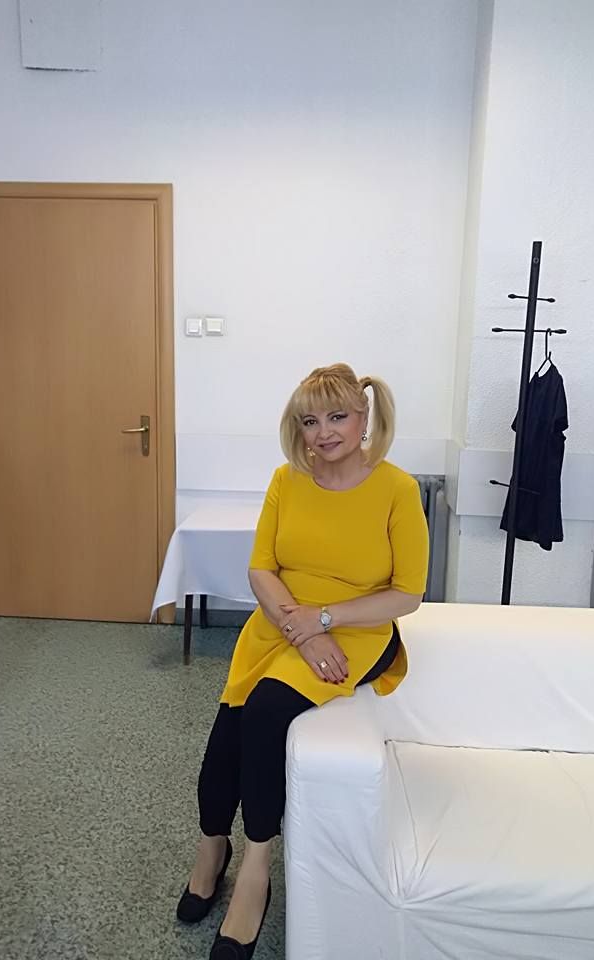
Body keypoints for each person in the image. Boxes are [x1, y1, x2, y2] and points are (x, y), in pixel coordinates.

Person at [176, 362, 430, 959]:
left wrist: (325, 621)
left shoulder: (396, 488)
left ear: (365, 417)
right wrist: (302, 628)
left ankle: (257, 868)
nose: (324, 432)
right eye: (310, 421)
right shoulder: (286, 480)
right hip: (282, 622)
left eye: (337, 417)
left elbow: (408, 594)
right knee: (229, 730)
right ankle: (212, 846)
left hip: (358, 630)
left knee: (266, 711)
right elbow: (261, 569)